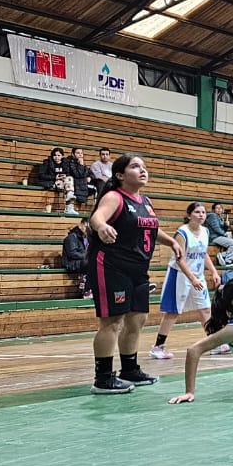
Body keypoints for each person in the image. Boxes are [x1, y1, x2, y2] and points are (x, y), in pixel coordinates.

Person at [87, 154, 183, 395]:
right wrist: (102, 227)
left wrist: (171, 241)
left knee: (137, 319)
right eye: (135, 166)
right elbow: (96, 217)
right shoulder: (114, 197)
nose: (142, 170)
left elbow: (151, 226)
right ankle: (103, 378)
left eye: (144, 167)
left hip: (138, 269)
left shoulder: (145, 201)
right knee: (112, 322)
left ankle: (129, 369)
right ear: (120, 175)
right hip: (112, 266)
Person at [150, 202, 224, 360]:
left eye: (203, 212)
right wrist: (192, 278)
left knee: (205, 309)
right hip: (180, 275)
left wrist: (214, 272)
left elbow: (203, 253)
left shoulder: (205, 231)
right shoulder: (182, 233)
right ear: (189, 215)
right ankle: (158, 346)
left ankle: (214, 343)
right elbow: (180, 260)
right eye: (197, 212)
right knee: (173, 312)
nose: (201, 215)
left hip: (197, 276)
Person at [36, 147, 78, 215]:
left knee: (69, 179)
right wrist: (55, 177)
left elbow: (68, 173)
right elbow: (41, 175)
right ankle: (69, 208)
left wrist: (65, 175)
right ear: (52, 156)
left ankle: (70, 197)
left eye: (59, 155)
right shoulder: (47, 163)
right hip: (52, 181)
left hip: (64, 181)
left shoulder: (65, 163)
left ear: (62, 156)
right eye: (55, 155)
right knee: (66, 187)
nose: (57, 157)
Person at [204, 202, 233, 267]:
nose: (219, 209)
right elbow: (216, 228)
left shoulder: (220, 217)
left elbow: (223, 229)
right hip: (214, 237)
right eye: (217, 208)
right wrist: (225, 234)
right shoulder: (213, 216)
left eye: (220, 208)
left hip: (218, 236)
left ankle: (222, 255)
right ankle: (228, 261)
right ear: (213, 210)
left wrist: (226, 225)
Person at [63, 218, 90, 295]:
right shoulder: (72, 237)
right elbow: (72, 253)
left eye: (89, 228)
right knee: (90, 263)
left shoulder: (83, 238)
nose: (87, 230)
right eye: (86, 227)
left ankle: (87, 286)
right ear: (80, 225)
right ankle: (86, 288)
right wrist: (87, 256)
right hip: (70, 263)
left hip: (80, 262)